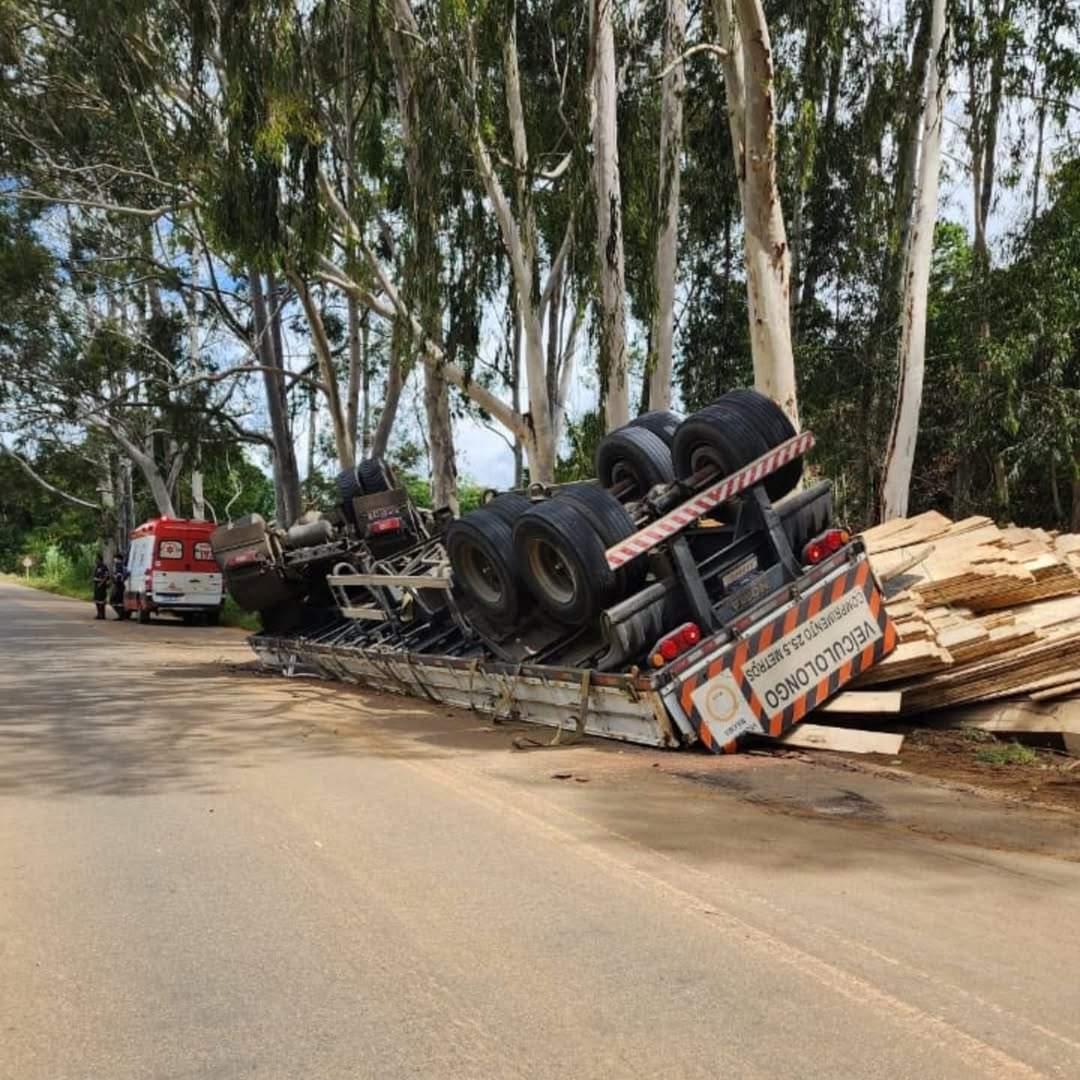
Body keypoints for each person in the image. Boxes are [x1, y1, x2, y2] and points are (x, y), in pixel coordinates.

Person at [110, 553, 128, 619]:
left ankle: (121, 615)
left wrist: (117, 578)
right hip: (120, 585)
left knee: (114, 600)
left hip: (118, 585)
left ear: (118, 559)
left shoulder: (119, 565)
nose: (114, 560)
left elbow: (120, 575)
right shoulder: (124, 566)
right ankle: (121, 615)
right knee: (118, 601)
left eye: (115, 558)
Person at [92, 555, 110, 620]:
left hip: (102, 586)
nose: (96, 561)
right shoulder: (97, 567)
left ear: (100, 560)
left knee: (101, 601)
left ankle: (102, 615)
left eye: (97, 559)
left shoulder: (104, 567)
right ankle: (99, 614)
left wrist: (101, 583)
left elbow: (106, 576)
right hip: (96, 585)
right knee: (96, 600)